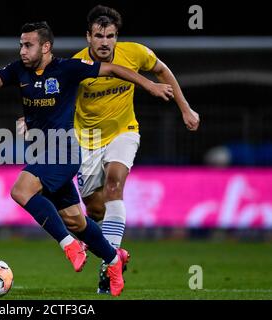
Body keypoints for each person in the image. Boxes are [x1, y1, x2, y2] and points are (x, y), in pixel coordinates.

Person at [0, 21, 173, 296]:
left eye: (28, 45)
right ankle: (113, 258)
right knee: (76, 221)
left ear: (45, 46)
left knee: (20, 190)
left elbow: (114, 69)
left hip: (65, 150)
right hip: (42, 151)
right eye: (21, 45)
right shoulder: (18, 70)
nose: (23, 50)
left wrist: (149, 85)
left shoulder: (68, 69)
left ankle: (68, 245)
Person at [71, 5, 200, 294]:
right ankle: (113, 252)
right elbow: (58, 100)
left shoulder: (135, 53)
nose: (105, 42)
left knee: (115, 184)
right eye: (99, 36)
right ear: (88, 37)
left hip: (124, 131)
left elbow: (162, 70)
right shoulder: (76, 66)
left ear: (117, 37)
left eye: (111, 36)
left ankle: (109, 266)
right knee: (92, 210)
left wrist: (185, 108)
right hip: (88, 140)